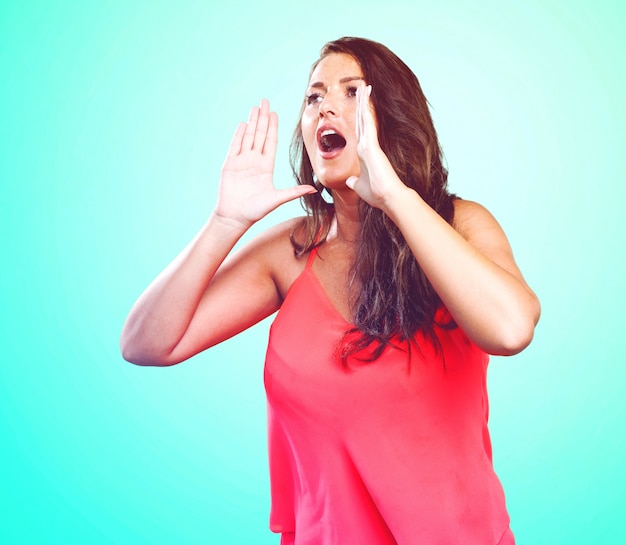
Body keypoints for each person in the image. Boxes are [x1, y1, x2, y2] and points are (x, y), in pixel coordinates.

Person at [121, 37, 540, 545]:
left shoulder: (459, 225)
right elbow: (146, 344)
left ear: (393, 116)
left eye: (351, 92)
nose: (326, 107)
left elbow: (511, 329)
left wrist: (392, 196)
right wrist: (224, 222)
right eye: (314, 96)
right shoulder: (293, 250)